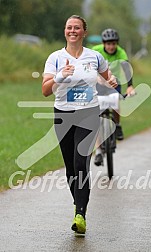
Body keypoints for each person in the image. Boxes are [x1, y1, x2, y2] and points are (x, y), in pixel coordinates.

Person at [42, 15, 117, 235]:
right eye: (69, 27)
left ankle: (80, 214)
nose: (72, 31)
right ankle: (80, 205)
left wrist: (111, 80)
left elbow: (107, 75)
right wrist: (59, 76)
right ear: (65, 31)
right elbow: (45, 91)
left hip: (88, 113)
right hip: (63, 115)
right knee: (71, 168)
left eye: (77, 28)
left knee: (81, 162)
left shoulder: (94, 57)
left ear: (84, 32)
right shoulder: (55, 58)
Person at [92, 28, 135, 166]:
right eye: (108, 44)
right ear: (103, 44)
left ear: (117, 44)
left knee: (116, 100)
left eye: (113, 44)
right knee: (97, 118)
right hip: (98, 83)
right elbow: (87, 66)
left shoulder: (121, 52)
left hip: (113, 83)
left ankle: (117, 125)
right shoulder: (96, 50)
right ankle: (98, 151)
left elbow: (127, 69)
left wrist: (130, 86)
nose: (111, 47)